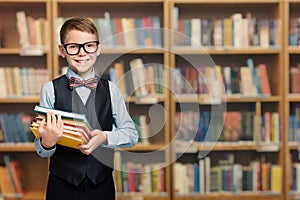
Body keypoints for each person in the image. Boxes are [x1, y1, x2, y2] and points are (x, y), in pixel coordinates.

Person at [34, 17, 139, 200]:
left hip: (101, 184)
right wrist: (47, 143)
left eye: (89, 45)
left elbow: (131, 135)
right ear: (62, 50)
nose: (82, 53)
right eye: (74, 46)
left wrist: (105, 137)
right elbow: (40, 148)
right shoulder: (50, 90)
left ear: (98, 48)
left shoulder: (111, 90)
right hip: (61, 186)